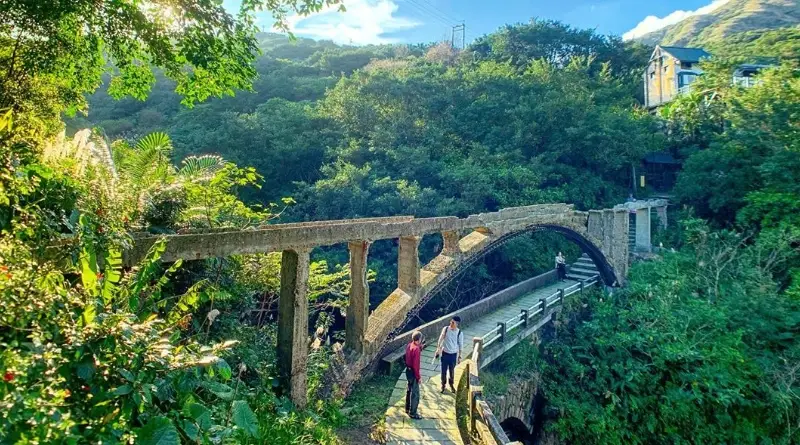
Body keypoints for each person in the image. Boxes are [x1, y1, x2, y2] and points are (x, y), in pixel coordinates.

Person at [435, 316, 463, 394]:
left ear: (457, 324)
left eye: (453, 322)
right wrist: (438, 349)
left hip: (453, 355)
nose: (451, 323)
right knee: (443, 370)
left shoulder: (459, 333)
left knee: (452, 371)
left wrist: (459, 356)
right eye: (451, 321)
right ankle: (443, 385)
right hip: (445, 353)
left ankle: (451, 385)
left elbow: (461, 345)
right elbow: (440, 339)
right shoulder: (446, 329)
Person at [404, 331, 423, 419]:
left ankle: (407, 408)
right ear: (419, 340)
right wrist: (418, 377)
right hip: (413, 372)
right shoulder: (416, 350)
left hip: (408, 371)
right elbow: (416, 365)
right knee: (415, 393)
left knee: (409, 390)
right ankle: (413, 412)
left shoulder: (409, 345)